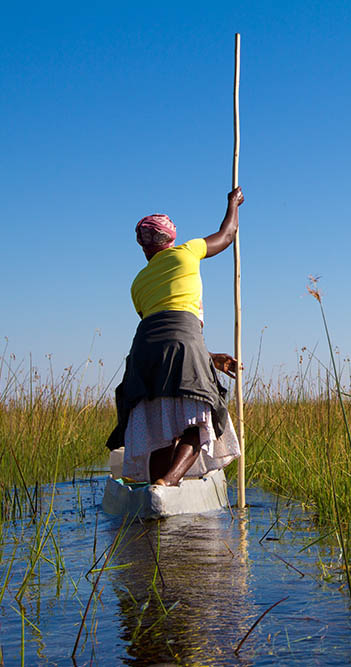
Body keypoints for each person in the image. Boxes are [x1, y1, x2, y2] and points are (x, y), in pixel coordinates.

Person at [106, 187, 244, 487]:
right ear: (171, 238)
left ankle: (155, 486)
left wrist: (211, 359)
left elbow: (160, 334)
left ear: (143, 247)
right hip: (183, 340)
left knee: (158, 427)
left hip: (143, 350)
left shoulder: (138, 283)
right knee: (198, 421)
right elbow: (228, 234)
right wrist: (233, 203)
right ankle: (166, 483)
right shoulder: (187, 251)